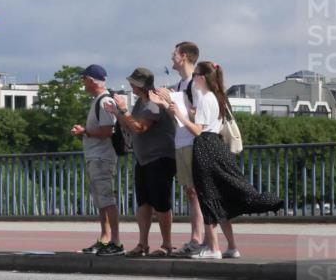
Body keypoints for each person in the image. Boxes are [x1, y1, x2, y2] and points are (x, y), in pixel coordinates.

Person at [153, 61, 282, 259]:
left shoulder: (205, 98)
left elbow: (198, 130)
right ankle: (231, 246)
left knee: (208, 198)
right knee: (220, 198)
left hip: (205, 147)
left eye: (195, 75)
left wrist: (178, 114)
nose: (193, 78)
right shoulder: (217, 96)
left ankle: (213, 248)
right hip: (216, 145)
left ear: (202, 78)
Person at [112, 68, 177, 257]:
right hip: (144, 159)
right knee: (143, 203)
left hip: (160, 158)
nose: (130, 85)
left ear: (140, 85)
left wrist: (124, 110)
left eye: (133, 82)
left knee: (161, 203)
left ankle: (167, 244)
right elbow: (130, 124)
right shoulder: (141, 102)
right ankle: (143, 244)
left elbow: (140, 128)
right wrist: (117, 112)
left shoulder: (153, 103)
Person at [153, 41, 205, 256]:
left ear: (184, 56)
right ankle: (196, 239)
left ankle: (199, 239)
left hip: (193, 141)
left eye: (175, 54)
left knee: (197, 193)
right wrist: (165, 103)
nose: (172, 57)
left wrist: (171, 104)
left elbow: (200, 115)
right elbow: (177, 113)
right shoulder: (182, 84)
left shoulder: (195, 83)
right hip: (182, 140)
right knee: (191, 192)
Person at [71, 65, 123, 256]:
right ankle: (105, 238)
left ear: (91, 80)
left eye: (84, 79)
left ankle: (115, 241)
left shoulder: (104, 101)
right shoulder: (99, 100)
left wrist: (84, 131)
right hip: (96, 156)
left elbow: (107, 131)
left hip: (102, 156)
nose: (82, 83)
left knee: (106, 199)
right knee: (101, 199)